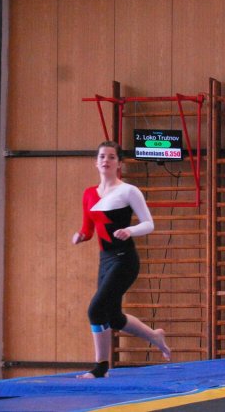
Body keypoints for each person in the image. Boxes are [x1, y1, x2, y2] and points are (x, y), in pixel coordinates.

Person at [72, 140, 170, 379]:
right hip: (105, 260)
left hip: (125, 259)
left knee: (96, 310)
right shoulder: (88, 194)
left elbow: (149, 224)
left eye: (112, 157)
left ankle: (100, 367)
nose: (106, 160)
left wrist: (130, 231)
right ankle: (154, 336)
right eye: (102, 156)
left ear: (119, 164)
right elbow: (89, 228)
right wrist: (81, 236)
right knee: (113, 316)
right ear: (96, 162)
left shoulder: (128, 191)